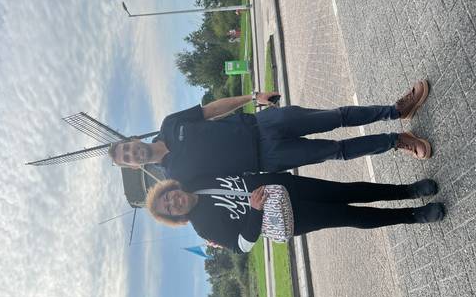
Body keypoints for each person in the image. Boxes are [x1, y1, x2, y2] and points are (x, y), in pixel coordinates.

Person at [109, 80, 431, 182]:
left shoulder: (170, 124)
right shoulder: (174, 177)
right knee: (337, 151)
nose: (131, 153)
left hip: (262, 123)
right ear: (134, 166)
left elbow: (212, 109)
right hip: (267, 157)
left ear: (134, 139)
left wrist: (253, 97)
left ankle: (398, 110)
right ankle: (397, 141)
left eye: (127, 147)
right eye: (127, 159)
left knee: (336, 116)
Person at [145, 172, 445, 254]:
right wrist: (254, 212)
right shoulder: (203, 227)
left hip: (286, 186)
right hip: (287, 217)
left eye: (167, 197)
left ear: (171, 188)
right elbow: (241, 246)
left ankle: (408, 190)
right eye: (169, 209)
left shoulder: (197, 179)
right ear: (175, 217)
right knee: (351, 216)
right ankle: (415, 215)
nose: (173, 202)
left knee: (349, 190)